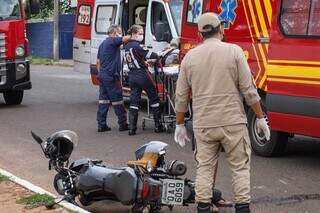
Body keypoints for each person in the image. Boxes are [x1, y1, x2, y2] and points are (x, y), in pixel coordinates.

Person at [174, 13, 271, 213]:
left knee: (205, 170)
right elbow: (249, 91)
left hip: (204, 125)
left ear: (200, 34)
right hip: (233, 122)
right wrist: (260, 118)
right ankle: (242, 209)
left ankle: (203, 208)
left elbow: (181, 96)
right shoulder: (234, 52)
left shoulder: (190, 57)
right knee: (240, 169)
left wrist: (180, 124)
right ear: (221, 29)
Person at [124, 25, 164, 135]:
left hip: (132, 75)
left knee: (134, 101)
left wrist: (145, 62)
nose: (142, 35)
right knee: (154, 98)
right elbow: (151, 54)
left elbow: (136, 59)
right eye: (140, 33)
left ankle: (132, 128)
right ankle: (158, 125)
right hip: (142, 74)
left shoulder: (127, 46)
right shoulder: (137, 46)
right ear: (133, 34)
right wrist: (159, 56)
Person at [96, 25, 130, 132]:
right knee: (118, 100)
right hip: (111, 76)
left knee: (103, 101)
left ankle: (101, 125)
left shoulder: (102, 44)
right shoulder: (112, 41)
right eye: (119, 33)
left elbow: (98, 62)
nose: (120, 35)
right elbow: (125, 39)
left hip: (103, 75)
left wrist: (101, 73)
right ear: (114, 33)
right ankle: (123, 123)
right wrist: (133, 33)